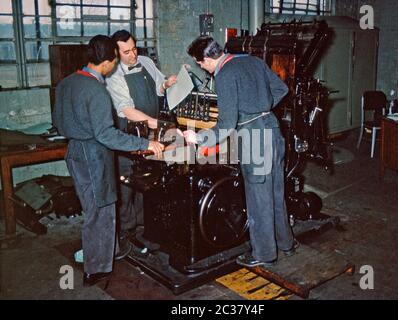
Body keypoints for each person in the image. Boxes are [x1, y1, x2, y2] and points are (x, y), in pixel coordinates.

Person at [52, 35, 164, 286]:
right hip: (94, 155)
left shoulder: (67, 82)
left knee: (95, 207)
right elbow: (107, 135)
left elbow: (58, 121)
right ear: (108, 62)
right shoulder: (98, 91)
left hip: (74, 152)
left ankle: (108, 251)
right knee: (100, 211)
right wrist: (145, 144)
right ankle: (97, 269)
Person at [183, 36, 298, 267]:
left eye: (200, 64)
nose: (203, 68)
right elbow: (282, 88)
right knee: (277, 191)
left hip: (254, 137)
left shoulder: (224, 75)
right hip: (274, 130)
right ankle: (286, 243)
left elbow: (226, 124)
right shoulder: (253, 61)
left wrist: (198, 137)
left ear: (206, 59)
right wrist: (261, 107)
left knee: (258, 199)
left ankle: (264, 254)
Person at [106, 30, 177, 243]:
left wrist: (167, 84)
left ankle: (146, 226)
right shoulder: (113, 74)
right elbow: (126, 110)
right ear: (116, 53)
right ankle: (127, 231)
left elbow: (159, 87)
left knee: (148, 179)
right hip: (128, 134)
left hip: (152, 132)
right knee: (126, 183)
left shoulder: (145, 61)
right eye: (126, 52)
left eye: (134, 48)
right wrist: (159, 124)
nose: (133, 55)